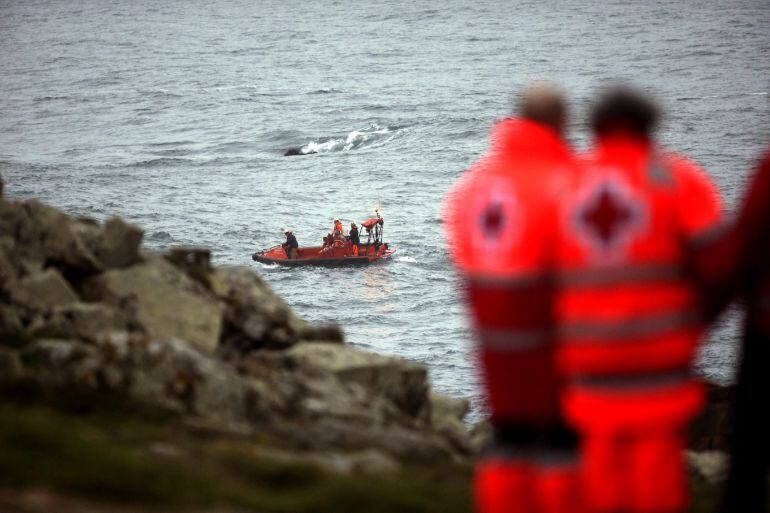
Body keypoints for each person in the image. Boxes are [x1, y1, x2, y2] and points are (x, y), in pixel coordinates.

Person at [553, 86, 722, 513]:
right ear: (651, 126)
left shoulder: (564, 182)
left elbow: (532, 270)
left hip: (586, 362)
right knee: (658, 468)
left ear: (592, 128)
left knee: (597, 462)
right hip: (660, 364)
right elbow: (720, 266)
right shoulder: (681, 179)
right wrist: (693, 326)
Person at [443, 83, 580, 513]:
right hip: (556, 336)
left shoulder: (473, 186)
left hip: (494, 338)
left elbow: (462, 252)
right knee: (561, 446)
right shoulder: (569, 180)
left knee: (508, 441)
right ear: (562, 122)